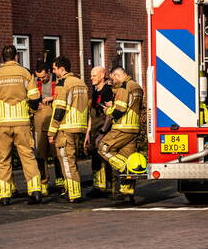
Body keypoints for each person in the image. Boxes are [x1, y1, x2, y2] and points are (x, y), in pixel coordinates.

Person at [0, 45, 43, 205]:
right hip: (22, 122)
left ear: (3, 58)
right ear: (16, 57)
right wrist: (29, 110)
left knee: (3, 159)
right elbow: (35, 100)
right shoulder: (25, 73)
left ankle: (3, 196)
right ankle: (35, 191)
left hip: (2, 124)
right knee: (28, 157)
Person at [98, 66, 144, 203]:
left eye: (113, 78)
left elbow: (120, 110)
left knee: (103, 148)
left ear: (117, 75)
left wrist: (108, 111)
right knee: (127, 156)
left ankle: (126, 168)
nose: (113, 81)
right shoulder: (137, 86)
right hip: (133, 129)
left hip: (122, 127)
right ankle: (127, 194)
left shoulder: (124, 87)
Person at [47, 56, 90, 203]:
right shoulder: (81, 83)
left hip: (65, 128)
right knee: (72, 160)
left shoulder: (63, 83)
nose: (53, 72)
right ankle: (73, 190)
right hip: (79, 127)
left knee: (66, 161)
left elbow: (59, 110)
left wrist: (51, 131)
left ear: (62, 69)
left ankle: (73, 193)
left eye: (54, 69)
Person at [32, 62, 64, 193]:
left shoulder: (57, 81)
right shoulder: (33, 82)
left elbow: (63, 96)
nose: (41, 80)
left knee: (57, 154)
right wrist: (33, 104)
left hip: (54, 123)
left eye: (44, 77)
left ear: (49, 72)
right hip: (39, 123)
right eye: (39, 77)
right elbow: (28, 98)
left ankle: (61, 181)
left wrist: (53, 97)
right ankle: (43, 182)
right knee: (40, 154)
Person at [86, 66, 114, 198]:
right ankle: (98, 186)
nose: (91, 78)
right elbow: (92, 114)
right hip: (94, 130)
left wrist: (103, 132)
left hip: (104, 130)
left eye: (94, 75)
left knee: (106, 157)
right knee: (95, 158)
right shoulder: (95, 90)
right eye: (91, 75)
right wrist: (88, 132)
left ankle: (110, 186)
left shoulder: (108, 90)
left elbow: (109, 115)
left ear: (102, 76)